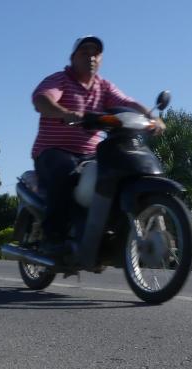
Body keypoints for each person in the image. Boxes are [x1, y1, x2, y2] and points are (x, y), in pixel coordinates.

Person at [31, 35, 165, 254]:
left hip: (90, 154)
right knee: (64, 174)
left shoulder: (103, 86)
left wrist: (151, 117)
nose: (91, 57)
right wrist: (65, 114)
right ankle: (52, 238)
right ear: (73, 57)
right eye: (85, 52)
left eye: (96, 53)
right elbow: (41, 99)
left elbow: (126, 102)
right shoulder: (60, 80)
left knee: (117, 173)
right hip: (53, 151)